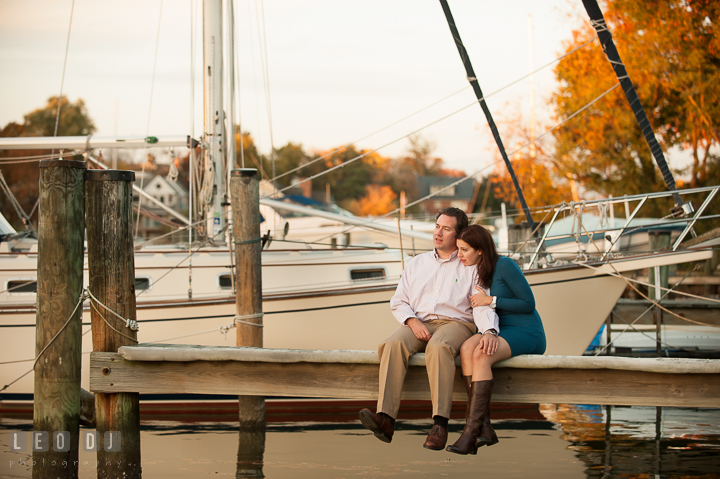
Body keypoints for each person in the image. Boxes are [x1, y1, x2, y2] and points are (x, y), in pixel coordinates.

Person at [358, 208, 499, 450]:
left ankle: (440, 424)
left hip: (457, 324)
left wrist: (489, 331)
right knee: (391, 344)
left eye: (446, 229)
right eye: (437, 226)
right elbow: (399, 300)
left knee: (438, 346)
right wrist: (412, 321)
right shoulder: (417, 263)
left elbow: (480, 305)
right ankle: (386, 419)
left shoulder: (470, 265)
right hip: (419, 322)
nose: (438, 233)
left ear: (458, 234)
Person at [446, 224, 546, 455]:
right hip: (501, 329)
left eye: (464, 250)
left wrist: (491, 301)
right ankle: (486, 428)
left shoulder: (505, 265)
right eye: (458, 249)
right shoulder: (478, 270)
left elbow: (528, 304)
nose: (459, 255)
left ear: (480, 249)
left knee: (481, 353)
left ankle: (470, 432)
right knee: (467, 347)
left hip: (525, 330)